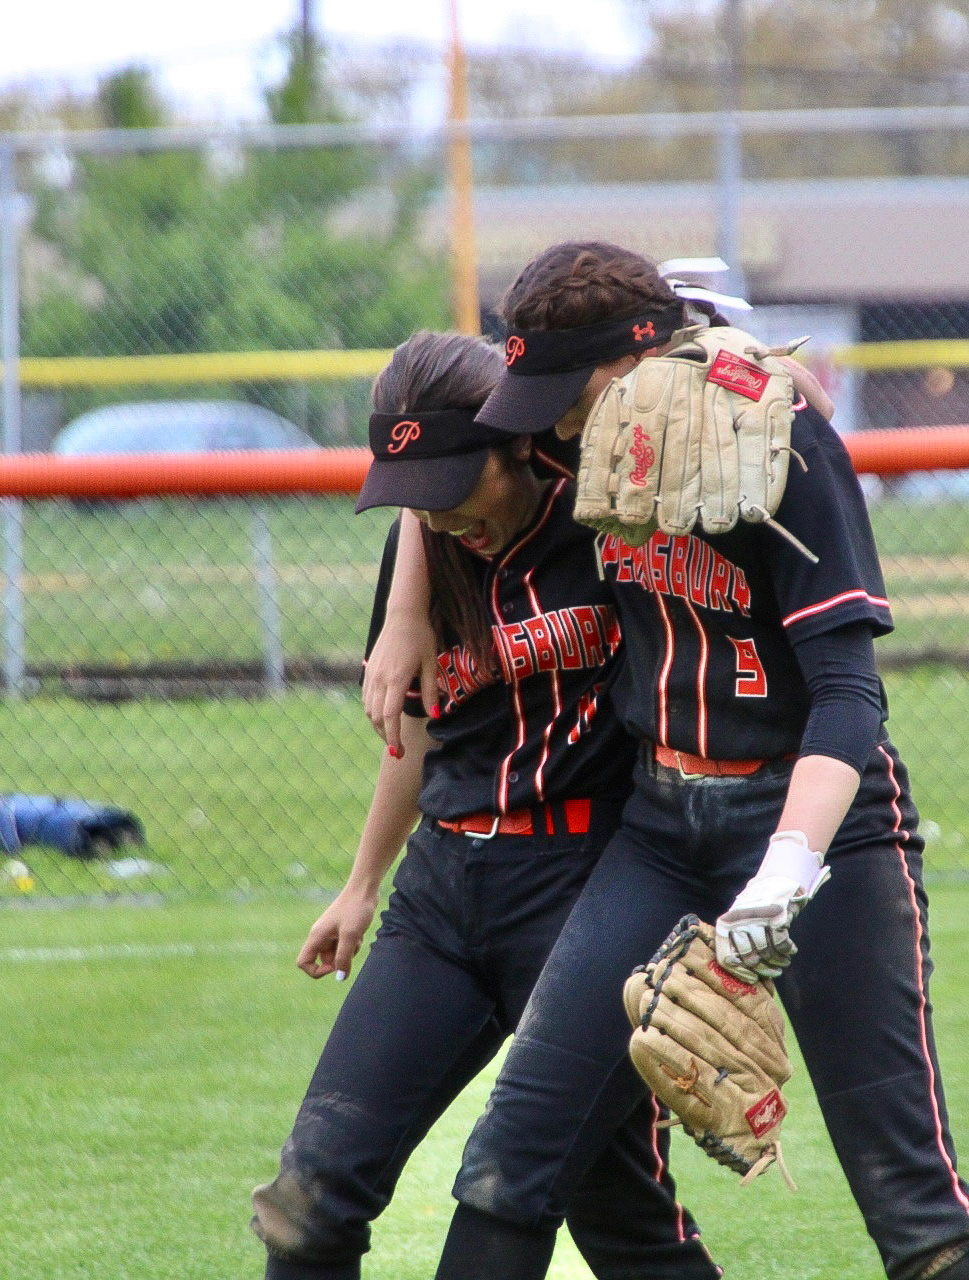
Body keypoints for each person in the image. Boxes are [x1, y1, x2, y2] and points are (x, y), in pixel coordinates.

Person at [371, 244, 969, 1280]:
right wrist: (409, 606)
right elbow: (440, 454)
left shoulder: (780, 441)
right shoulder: (584, 434)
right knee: (507, 1162)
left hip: (820, 827)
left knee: (913, 1206)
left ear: (637, 357)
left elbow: (850, 696)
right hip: (660, 829)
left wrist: (786, 870)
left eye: (564, 396)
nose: (550, 428)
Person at [249, 331, 719, 1280]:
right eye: (417, 493)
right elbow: (420, 734)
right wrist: (361, 884)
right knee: (311, 1199)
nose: (439, 511)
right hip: (442, 897)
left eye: (455, 484)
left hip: (587, 897)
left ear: (519, 444)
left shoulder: (609, 517)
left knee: (610, 1217)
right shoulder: (428, 542)